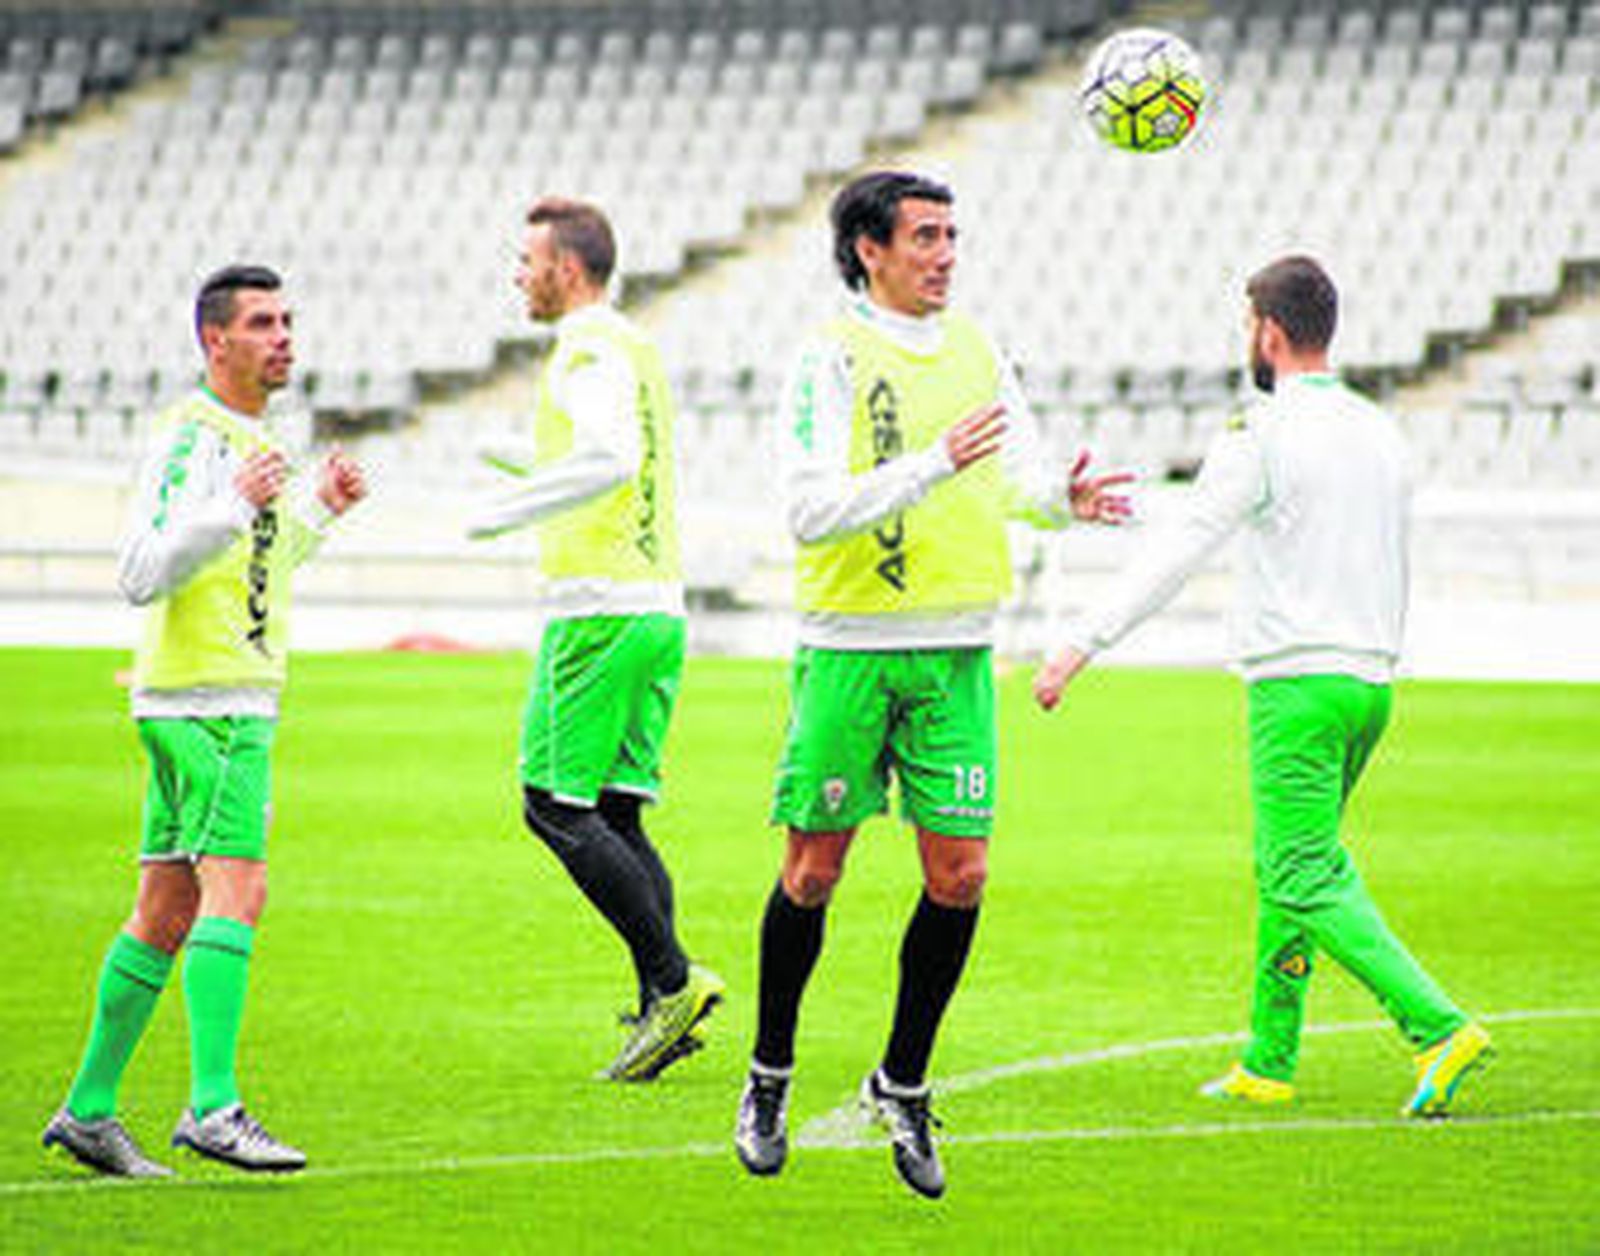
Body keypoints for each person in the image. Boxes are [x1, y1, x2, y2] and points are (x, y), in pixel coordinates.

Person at [733, 170, 1132, 1199]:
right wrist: (929, 462)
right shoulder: (826, 357)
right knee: (813, 871)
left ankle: (901, 1079)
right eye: (924, 235)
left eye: (952, 233)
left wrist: (1063, 499)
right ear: (869, 249)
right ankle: (768, 1071)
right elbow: (809, 510)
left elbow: (1017, 475)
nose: (945, 252)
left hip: (955, 649)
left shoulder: (977, 348)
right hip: (850, 645)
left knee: (960, 875)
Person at [1033, 255, 1492, 1117]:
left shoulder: (1261, 434)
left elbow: (1178, 548)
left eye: (1247, 326)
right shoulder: (1381, 432)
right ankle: (1270, 1055)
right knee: (1292, 864)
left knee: (1301, 870)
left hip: (1296, 686)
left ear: (1269, 333)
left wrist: (1076, 645)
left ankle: (1438, 1026)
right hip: (1370, 683)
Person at [42, 265, 368, 1178]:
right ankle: (214, 1107)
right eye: (263, 322)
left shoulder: (248, 440)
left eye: (289, 320)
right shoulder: (193, 438)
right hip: (212, 705)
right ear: (213, 340)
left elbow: (251, 568)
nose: (284, 337)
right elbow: (142, 568)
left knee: (165, 909)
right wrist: (237, 504)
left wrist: (319, 513)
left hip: (210, 695)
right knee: (240, 892)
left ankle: (89, 1110)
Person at [467, 197, 722, 1082]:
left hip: (600, 608)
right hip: (655, 606)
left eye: (526, 258)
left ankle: (671, 980)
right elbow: (615, 458)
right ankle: (665, 997)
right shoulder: (634, 348)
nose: (518, 274)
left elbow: (609, 460)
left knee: (551, 804)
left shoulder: (585, 347)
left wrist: (506, 511)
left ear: (566, 268)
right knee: (615, 811)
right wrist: (518, 458)